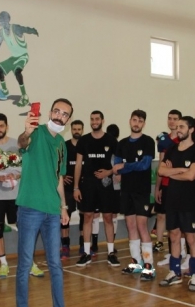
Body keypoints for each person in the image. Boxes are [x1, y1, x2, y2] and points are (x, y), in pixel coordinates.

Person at [15, 98, 78, 307]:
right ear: (50, 112)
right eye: (57, 111)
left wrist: (63, 206)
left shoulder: (62, 144)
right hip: (30, 208)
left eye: (65, 114)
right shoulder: (35, 132)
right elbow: (23, 143)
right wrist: (26, 131)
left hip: (52, 211)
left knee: (55, 264)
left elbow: (58, 177)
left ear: (68, 119)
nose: (60, 116)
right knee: (24, 264)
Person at [0, 113, 44, 278]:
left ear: (7, 127)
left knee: (24, 229)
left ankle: (30, 263)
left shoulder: (18, 144)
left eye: (1, 126)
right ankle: (3, 264)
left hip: (17, 195)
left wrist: (18, 175)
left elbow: (29, 166)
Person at [157, 116, 195, 291]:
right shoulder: (171, 149)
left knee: (191, 238)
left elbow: (191, 176)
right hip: (172, 200)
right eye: (177, 126)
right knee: (174, 235)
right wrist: (179, 170)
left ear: (191, 129)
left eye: (182, 126)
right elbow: (161, 170)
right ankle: (175, 272)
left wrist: (171, 172)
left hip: (189, 201)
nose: (178, 129)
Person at [113, 110, 156, 280]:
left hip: (141, 190)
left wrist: (125, 166)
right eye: (134, 120)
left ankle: (149, 265)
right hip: (126, 190)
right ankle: (136, 262)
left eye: (140, 121)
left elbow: (144, 165)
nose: (137, 123)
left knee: (142, 226)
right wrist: (127, 166)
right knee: (130, 226)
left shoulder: (148, 141)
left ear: (144, 123)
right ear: (130, 121)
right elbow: (116, 167)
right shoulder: (122, 143)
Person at [73, 111, 120, 267]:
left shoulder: (111, 140)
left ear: (102, 121)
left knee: (108, 217)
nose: (94, 121)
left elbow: (119, 163)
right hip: (88, 185)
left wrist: (109, 172)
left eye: (97, 119)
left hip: (106, 185)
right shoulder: (84, 140)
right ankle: (86, 253)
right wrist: (76, 187)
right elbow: (78, 165)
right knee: (88, 216)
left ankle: (111, 253)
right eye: (92, 119)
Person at [0, 11, 39, 107]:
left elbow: (26, 29)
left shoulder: (15, 28)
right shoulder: (1, 32)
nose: (2, 22)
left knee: (17, 71)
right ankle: (5, 90)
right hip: (14, 58)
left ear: (8, 20)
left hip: (23, 56)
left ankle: (24, 96)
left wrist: (34, 31)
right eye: (0, 20)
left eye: (3, 20)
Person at [153, 110, 182, 254]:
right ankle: (159, 243)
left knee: (177, 218)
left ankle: (178, 248)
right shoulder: (164, 140)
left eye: (175, 119)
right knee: (161, 215)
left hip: (179, 185)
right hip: (165, 184)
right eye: (169, 118)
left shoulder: (184, 139)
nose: (172, 121)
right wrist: (157, 187)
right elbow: (161, 164)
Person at [62, 119, 84, 259]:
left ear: (82, 130)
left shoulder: (86, 145)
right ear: (71, 130)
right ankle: (65, 246)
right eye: (74, 129)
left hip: (83, 187)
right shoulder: (64, 146)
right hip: (67, 188)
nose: (76, 131)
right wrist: (62, 177)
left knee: (84, 216)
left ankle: (83, 246)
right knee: (65, 217)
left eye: (79, 129)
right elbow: (57, 164)